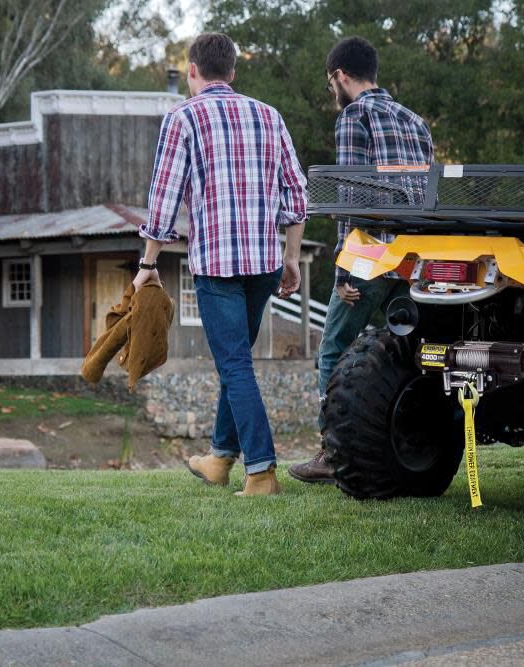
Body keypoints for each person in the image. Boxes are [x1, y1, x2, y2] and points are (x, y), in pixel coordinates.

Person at [134, 32, 308, 496]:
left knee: (234, 365)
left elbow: (164, 198)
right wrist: (292, 257)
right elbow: (296, 192)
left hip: (218, 265)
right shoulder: (269, 116)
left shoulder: (183, 118)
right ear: (232, 72)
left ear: (193, 70)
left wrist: (147, 263)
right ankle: (218, 457)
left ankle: (262, 471)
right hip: (265, 263)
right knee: (239, 362)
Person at [288, 36, 434, 484]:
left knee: (332, 350)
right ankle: (407, 442)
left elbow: (348, 193)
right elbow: (428, 196)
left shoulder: (355, 116)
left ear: (340, 76)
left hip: (369, 255)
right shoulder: (415, 122)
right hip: (413, 258)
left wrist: (341, 266)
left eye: (330, 81)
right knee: (401, 350)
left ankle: (332, 452)